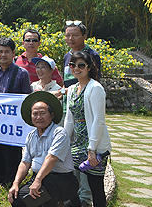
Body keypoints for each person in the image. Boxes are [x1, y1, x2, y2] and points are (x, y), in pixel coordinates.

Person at [8, 91, 78, 207]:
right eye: (35, 114)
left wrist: (37, 180)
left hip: (63, 180)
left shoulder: (59, 133)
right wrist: (15, 184)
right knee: (17, 199)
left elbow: (51, 158)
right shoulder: (31, 136)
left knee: (46, 188)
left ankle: (63, 203)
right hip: (40, 179)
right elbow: (25, 162)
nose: (38, 117)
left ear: (52, 115)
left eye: (42, 113)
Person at [0, 37, 31, 186]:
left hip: (11, 125)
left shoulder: (22, 73)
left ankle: (10, 184)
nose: (3, 55)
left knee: (9, 157)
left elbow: (25, 99)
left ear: (13, 53)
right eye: (0, 51)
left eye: (7, 52)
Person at [64, 51, 111, 207]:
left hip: (94, 145)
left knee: (96, 187)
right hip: (77, 144)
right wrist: (64, 142)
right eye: (73, 65)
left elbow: (99, 120)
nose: (76, 68)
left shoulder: (95, 88)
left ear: (89, 67)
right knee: (68, 180)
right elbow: (69, 119)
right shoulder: (72, 89)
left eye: (81, 65)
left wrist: (92, 149)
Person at [62, 21, 101, 207]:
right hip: (72, 112)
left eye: (75, 35)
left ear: (84, 36)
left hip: (88, 120)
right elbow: (67, 84)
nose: (71, 38)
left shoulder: (92, 55)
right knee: (73, 164)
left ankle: (85, 199)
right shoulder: (66, 56)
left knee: (90, 171)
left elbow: (98, 118)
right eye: (68, 35)